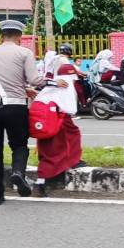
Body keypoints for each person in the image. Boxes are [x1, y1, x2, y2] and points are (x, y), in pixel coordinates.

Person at [0, 20, 59, 207]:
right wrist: (54, 82)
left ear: (1, 35)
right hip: (15, 106)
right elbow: (35, 79)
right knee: (19, 145)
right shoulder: (24, 53)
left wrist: (24, 88)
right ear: (18, 36)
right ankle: (17, 173)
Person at [33, 45, 83, 197]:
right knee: (55, 149)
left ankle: (72, 160)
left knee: (52, 145)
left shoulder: (51, 66)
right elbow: (68, 103)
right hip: (57, 115)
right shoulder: (64, 82)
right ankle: (41, 183)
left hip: (46, 112)